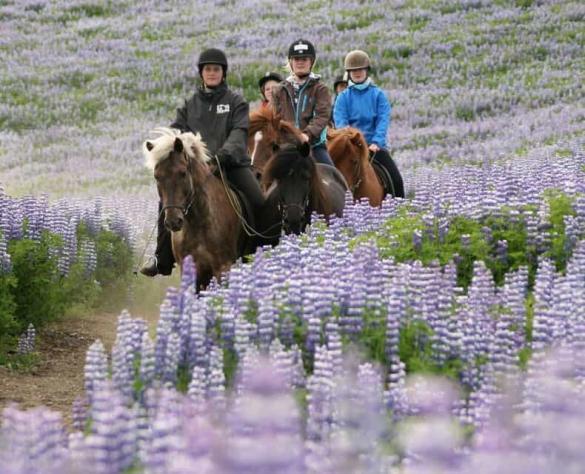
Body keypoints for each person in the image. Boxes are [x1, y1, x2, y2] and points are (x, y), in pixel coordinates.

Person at [140, 48, 265, 277]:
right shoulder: (190, 104)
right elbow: (175, 133)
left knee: (257, 199)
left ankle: (263, 251)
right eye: (207, 69)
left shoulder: (236, 102)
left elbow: (238, 135)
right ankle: (162, 258)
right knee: (168, 202)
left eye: (216, 69)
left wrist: (219, 157)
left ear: (223, 73)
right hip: (195, 168)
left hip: (230, 165)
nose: (212, 73)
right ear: (201, 73)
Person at [333, 50, 405, 198]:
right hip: (352, 147)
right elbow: (341, 123)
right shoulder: (343, 97)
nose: (357, 73)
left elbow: (383, 120)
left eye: (360, 69)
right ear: (348, 73)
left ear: (366, 70)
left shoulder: (378, 95)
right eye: (353, 70)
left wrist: (377, 142)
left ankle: (400, 210)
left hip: (375, 147)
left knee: (396, 180)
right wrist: (352, 142)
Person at [271, 39, 334, 166]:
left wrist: (306, 135)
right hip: (286, 147)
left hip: (313, 146)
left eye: (304, 59)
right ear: (291, 62)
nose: (300, 62)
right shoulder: (279, 90)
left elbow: (321, 116)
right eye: (296, 59)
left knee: (334, 175)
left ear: (311, 62)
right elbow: (275, 118)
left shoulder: (320, 89)